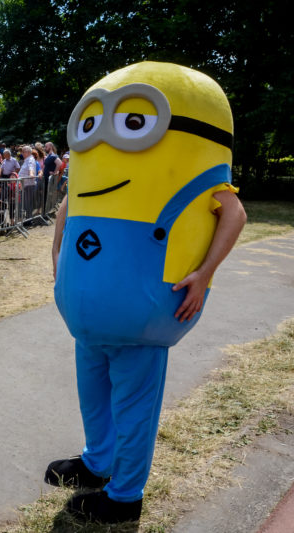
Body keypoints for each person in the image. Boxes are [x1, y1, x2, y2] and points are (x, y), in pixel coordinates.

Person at [48, 61, 246, 525]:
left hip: (144, 312)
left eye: (134, 121)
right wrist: (58, 260)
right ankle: (97, 461)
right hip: (87, 312)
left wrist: (204, 273)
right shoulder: (89, 173)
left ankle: (124, 496)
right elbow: (69, 206)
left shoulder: (198, 174)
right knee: (93, 396)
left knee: (134, 406)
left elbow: (233, 213)